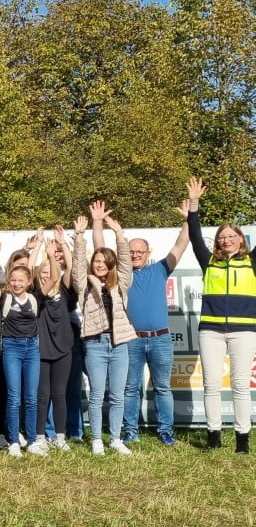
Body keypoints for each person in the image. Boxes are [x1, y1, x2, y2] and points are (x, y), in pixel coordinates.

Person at [186, 177, 256, 453]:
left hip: (244, 330)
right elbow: (193, 235)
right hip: (211, 331)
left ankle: (242, 440)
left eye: (231, 236)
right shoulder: (209, 261)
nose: (226, 240)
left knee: (240, 384)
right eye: (222, 237)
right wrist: (194, 204)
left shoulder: (252, 262)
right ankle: (213, 437)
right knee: (211, 384)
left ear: (241, 239)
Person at [122, 203, 189, 446]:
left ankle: (165, 432)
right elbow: (99, 247)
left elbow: (181, 245)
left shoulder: (160, 269)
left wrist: (188, 217)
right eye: (131, 251)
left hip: (161, 339)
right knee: (131, 389)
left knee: (162, 388)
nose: (135, 254)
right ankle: (130, 431)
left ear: (147, 252)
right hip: (132, 340)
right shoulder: (121, 274)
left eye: (140, 251)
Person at [73, 202, 137, 456]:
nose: (99, 264)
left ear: (110, 264)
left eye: (103, 261)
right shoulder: (84, 284)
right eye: (96, 260)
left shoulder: (120, 283)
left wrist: (120, 235)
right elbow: (78, 265)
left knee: (118, 395)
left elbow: (125, 263)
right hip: (95, 345)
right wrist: (79, 237)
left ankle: (116, 439)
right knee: (98, 394)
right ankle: (97, 439)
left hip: (120, 343)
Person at [0, 238, 39, 458]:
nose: (17, 283)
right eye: (13, 280)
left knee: (31, 397)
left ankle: (33, 440)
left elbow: (36, 270)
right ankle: (14, 441)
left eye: (21, 280)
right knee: (14, 396)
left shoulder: (34, 299)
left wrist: (37, 248)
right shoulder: (5, 297)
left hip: (33, 348)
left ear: (28, 282)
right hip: (11, 347)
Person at [30, 232, 73, 456]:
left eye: (50, 272)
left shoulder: (65, 292)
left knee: (59, 395)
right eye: (43, 272)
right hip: (40, 351)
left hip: (63, 349)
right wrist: (40, 248)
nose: (47, 275)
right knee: (42, 395)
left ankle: (60, 437)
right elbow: (30, 269)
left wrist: (60, 248)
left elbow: (70, 270)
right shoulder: (36, 294)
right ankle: (38, 437)